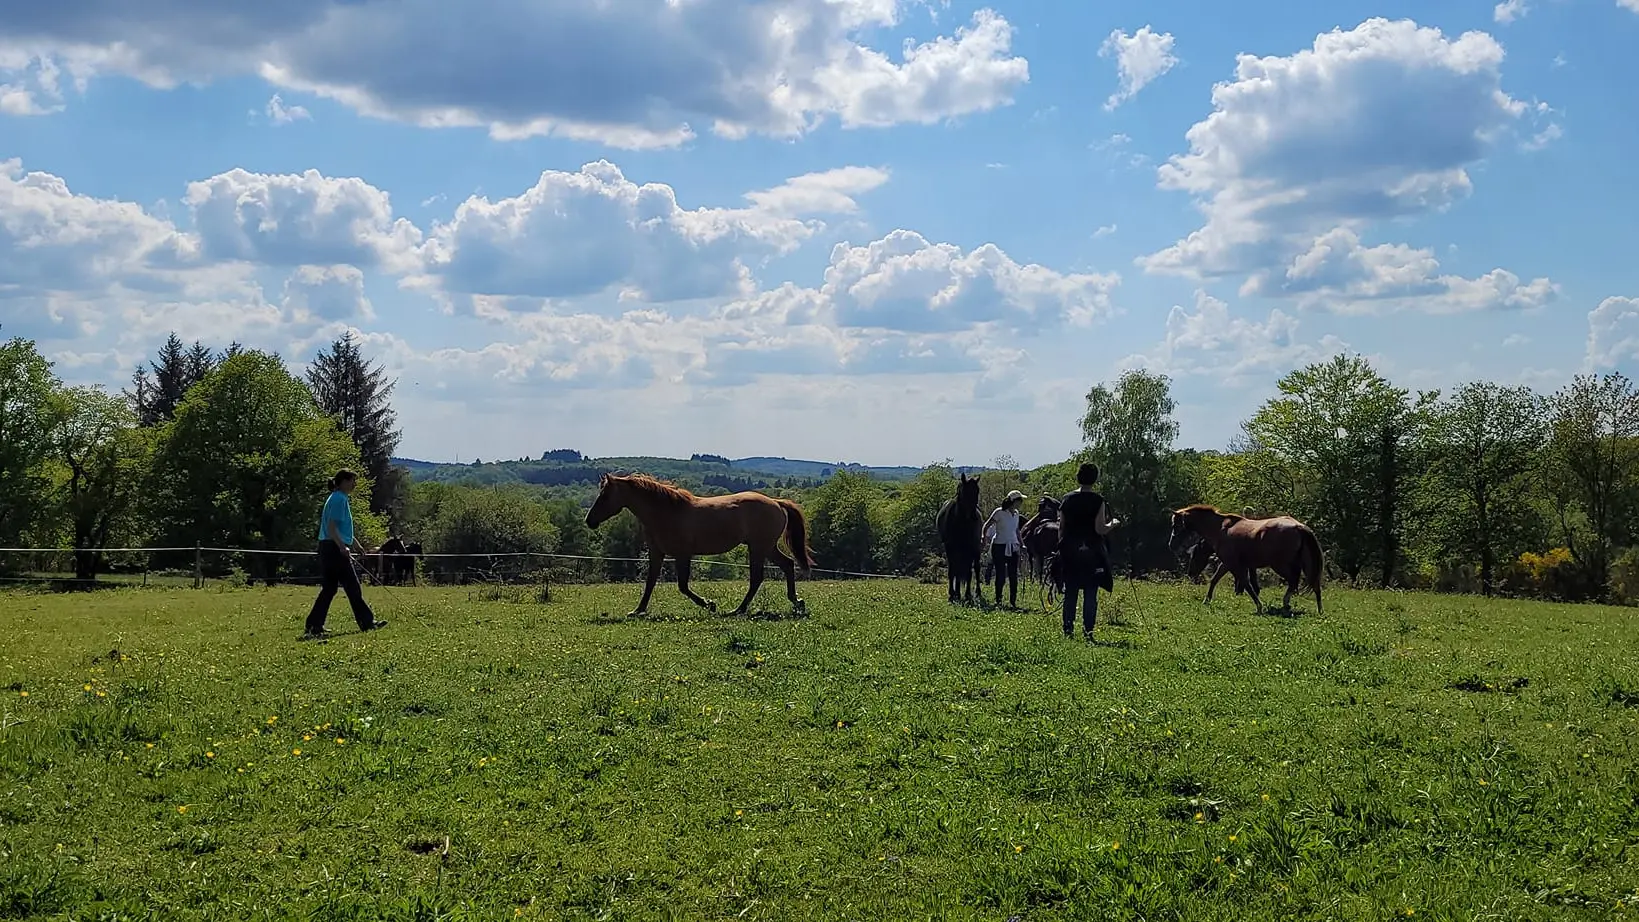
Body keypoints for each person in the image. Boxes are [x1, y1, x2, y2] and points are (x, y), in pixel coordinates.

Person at [304, 469, 386, 639]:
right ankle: (367, 623)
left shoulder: (338, 498)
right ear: (342, 482)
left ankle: (314, 626)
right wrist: (343, 547)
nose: (354, 484)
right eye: (352, 481)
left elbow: (342, 528)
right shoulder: (339, 499)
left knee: (329, 589)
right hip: (334, 549)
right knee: (353, 587)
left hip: (329, 547)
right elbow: (332, 528)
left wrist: (355, 544)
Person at [1057, 462, 1121, 640]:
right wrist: (1113, 524)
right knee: (1090, 593)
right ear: (1095, 479)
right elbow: (1100, 529)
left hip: (1070, 551)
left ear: (1078, 477)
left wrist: (1061, 547)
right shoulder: (1098, 500)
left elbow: (1061, 527)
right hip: (1092, 552)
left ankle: (1068, 630)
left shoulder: (1067, 499)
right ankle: (1088, 632)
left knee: (1070, 592)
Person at [983, 490, 1027, 608]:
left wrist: (1022, 544)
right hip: (999, 546)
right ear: (1014, 501)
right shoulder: (999, 512)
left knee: (1013, 575)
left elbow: (1016, 531)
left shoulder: (1016, 514)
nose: (1021, 503)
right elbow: (987, 525)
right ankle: (998, 600)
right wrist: (984, 538)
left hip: (1013, 546)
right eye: (1020, 501)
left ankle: (1013, 601)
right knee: (1000, 574)